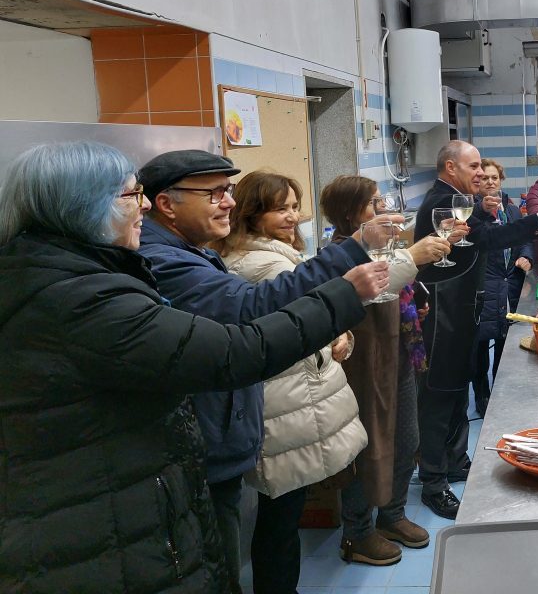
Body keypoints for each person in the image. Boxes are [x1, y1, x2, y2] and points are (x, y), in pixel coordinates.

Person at [0, 142, 387, 594]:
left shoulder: (68, 274)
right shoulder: (85, 298)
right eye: (130, 195)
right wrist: (343, 294)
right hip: (104, 511)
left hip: (129, 490)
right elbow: (235, 348)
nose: (143, 205)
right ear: (82, 205)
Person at [137, 150, 388, 593]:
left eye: (230, 191)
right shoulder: (167, 260)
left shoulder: (192, 252)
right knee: (226, 562)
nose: (228, 202)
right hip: (207, 440)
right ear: (165, 204)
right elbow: (253, 307)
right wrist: (346, 275)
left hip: (224, 434)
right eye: (214, 193)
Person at [414, 140, 538, 519]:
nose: (481, 173)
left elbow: (482, 231)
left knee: (457, 392)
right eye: (473, 166)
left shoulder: (461, 199)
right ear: (451, 168)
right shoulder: (440, 202)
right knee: (439, 398)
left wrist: (487, 213)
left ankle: (455, 462)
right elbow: (487, 239)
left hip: (462, 312)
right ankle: (433, 482)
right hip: (442, 316)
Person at [319, 175, 451, 565]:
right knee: (369, 445)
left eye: (381, 201)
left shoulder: (381, 245)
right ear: (350, 213)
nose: (382, 209)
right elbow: (365, 292)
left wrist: (414, 301)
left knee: (406, 439)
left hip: (398, 354)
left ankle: (392, 515)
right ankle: (357, 532)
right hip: (363, 362)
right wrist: (413, 257)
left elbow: (400, 286)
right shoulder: (338, 255)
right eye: (372, 203)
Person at [473, 158, 534, 415]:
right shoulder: (472, 213)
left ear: (501, 181)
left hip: (511, 285)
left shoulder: (511, 210)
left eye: (494, 178)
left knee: (505, 341)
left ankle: (500, 390)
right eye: (484, 178)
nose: (490, 182)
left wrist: (526, 256)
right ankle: (481, 395)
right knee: (479, 345)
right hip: (485, 287)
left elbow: (525, 238)